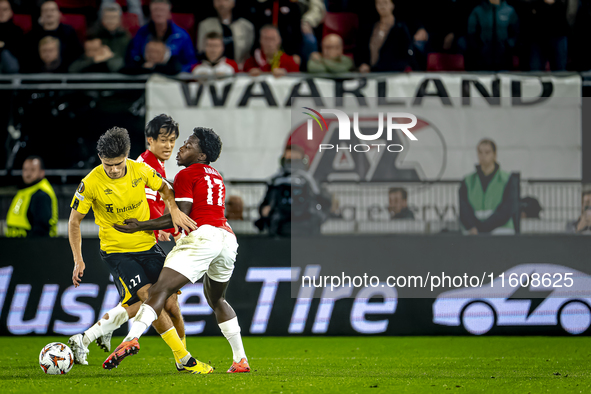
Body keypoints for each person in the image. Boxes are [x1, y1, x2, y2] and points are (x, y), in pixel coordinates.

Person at [107, 127, 250, 374]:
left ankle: (131, 338)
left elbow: (181, 214)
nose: (182, 147)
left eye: (189, 144)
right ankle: (240, 360)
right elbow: (189, 198)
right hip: (227, 239)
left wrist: (141, 226)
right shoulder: (214, 175)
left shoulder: (187, 174)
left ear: (202, 155)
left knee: (159, 290)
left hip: (203, 237)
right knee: (217, 300)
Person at [66, 127, 207, 374]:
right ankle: (184, 358)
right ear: (100, 159)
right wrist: (78, 259)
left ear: (126, 157)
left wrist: (172, 209)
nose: (112, 169)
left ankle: (89, 337)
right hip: (117, 251)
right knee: (149, 296)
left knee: (172, 302)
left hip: (148, 246)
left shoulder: (140, 170)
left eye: (117, 164)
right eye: (107, 164)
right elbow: (74, 221)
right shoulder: (90, 183)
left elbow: (165, 188)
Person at [256, 145, 330, 236]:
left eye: (295, 160)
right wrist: (265, 210)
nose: (291, 164)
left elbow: (325, 202)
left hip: (307, 225)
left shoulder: (311, 182)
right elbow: (265, 204)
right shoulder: (276, 182)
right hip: (280, 226)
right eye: (289, 160)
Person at [459, 139, 516, 234]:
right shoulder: (468, 181)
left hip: (500, 232)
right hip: (474, 233)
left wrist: (480, 228)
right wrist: (474, 227)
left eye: (487, 152)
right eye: (480, 152)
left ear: (494, 154)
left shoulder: (506, 179)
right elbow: (464, 209)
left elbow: (507, 209)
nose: (483, 156)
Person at [137, 114, 180, 242]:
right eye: (163, 140)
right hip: (140, 238)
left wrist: (161, 228)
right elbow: (147, 204)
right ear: (150, 140)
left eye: (172, 140)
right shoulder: (150, 166)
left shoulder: (150, 159)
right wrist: (173, 231)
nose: (168, 145)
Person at [126, 0, 197, 73]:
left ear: (169, 14)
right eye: (156, 10)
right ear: (151, 13)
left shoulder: (182, 36)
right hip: (145, 76)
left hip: (173, 77)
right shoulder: (141, 33)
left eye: (162, 10)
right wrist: (142, 67)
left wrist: (175, 70)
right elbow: (133, 57)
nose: (159, 14)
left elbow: (191, 62)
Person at [5, 156, 58, 238]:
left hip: (30, 247)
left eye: (32, 170)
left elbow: (41, 232)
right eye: (25, 170)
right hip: (18, 246)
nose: (28, 173)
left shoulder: (41, 195)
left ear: (42, 173)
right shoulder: (27, 191)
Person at [356, 0, 415, 73]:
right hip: (372, 74)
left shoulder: (400, 28)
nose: (382, 6)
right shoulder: (370, 28)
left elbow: (407, 52)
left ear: (392, 5)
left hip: (393, 73)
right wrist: (363, 64)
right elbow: (361, 50)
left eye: (385, 2)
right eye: (378, 3)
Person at [25, 1, 83, 69]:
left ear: (59, 14)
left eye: (52, 10)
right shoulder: (32, 35)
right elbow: (28, 58)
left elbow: (77, 54)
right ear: (41, 14)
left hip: (65, 73)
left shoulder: (69, 31)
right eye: (45, 11)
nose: (49, 14)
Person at [197, 0, 255, 67]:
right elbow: (201, 50)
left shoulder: (246, 26)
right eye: (218, 1)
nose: (221, 3)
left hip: (239, 70)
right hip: (213, 71)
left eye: (225, 0)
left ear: (233, 3)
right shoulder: (205, 25)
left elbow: (249, 53)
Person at [466, 0, 519, 71]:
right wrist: (479, 48)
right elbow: (471, 33)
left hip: (504, 60)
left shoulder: (509, 11)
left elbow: (516, 33)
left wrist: (508, 45)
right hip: (482, 61)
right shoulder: (478, 11)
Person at [0, 0, 24, 69]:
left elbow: (18, 52)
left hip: (11, 66)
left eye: (5, 9)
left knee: (5, 54)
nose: (1, 13)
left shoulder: (17, 31)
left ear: (11, 12)